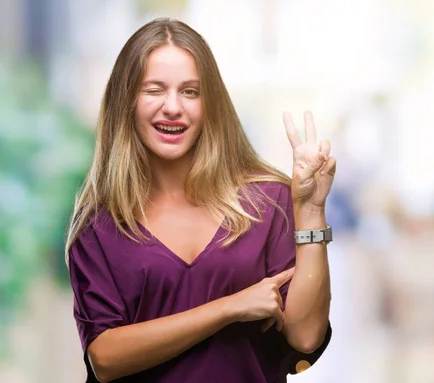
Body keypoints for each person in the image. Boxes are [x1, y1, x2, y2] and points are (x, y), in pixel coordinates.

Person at [65, 17, 336, 383]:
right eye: (154, 89)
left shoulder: (268, 202)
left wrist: (311, 211)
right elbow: (104, 358)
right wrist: (229, 307)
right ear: (126, 99)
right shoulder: (99, 224)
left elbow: (305, 337)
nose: (173, 107)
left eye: (190, 91)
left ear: (211, 103)